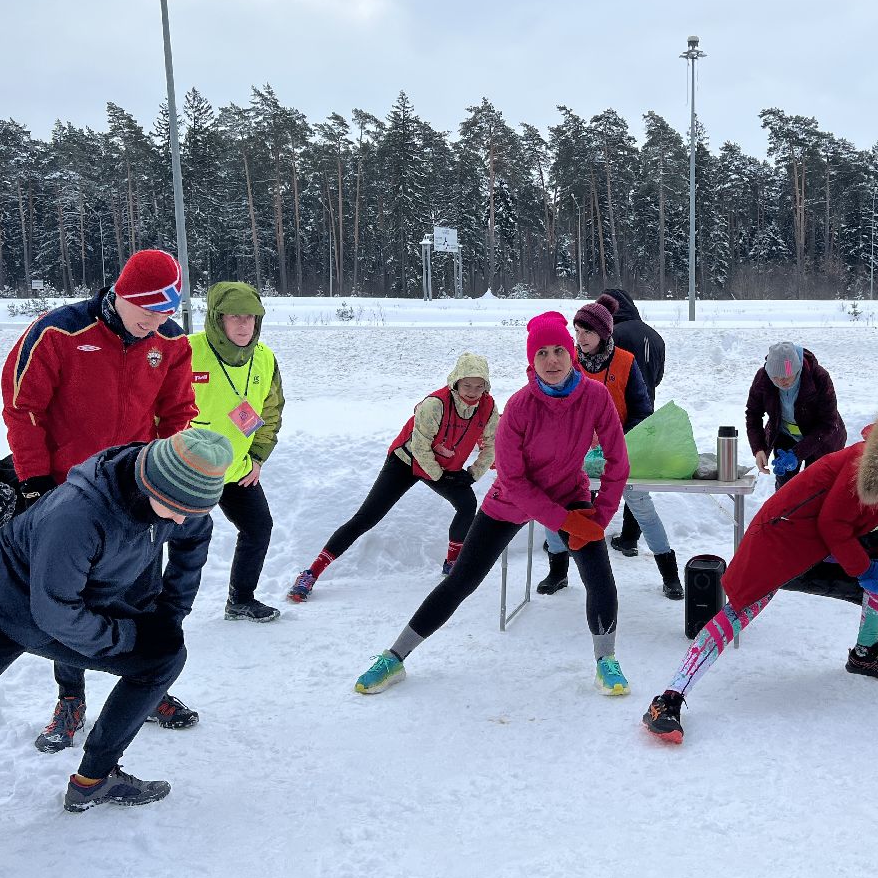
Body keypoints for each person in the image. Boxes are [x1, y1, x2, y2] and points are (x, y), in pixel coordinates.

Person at [0, 428, 231, 814]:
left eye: (194, 511)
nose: (184, 520)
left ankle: (92, 781)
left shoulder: (180, 496)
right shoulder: (78, 514)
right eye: (179, 510)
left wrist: (170, 616)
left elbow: (194, 539)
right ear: (153, 487)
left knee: (164, 657)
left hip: (62, 609)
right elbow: (55, 611)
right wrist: (128, 635)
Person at [641, 407, 878, 744]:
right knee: (740, 612)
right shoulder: (868, 463)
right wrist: (863, 568)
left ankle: (864, 654)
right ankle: (668, 698)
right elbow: (833, 523)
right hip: (785, 536)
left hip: (828, 545)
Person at [352, 312, 631, 696]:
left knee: (599, 575)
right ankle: (394, 657)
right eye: (543, 354)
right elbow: (514, 482)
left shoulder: (595, 398)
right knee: (461, 581)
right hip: (510, 503)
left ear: (572, 354)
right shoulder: (518, 407)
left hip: (571, 494)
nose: (552, 361)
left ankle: (607, 662)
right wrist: (566, 522)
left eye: (559, 351)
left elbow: (619, 460)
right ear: (531, 362)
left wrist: (599, 517)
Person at [0, 247, 201, 751]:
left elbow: (178, 412)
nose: (155, 323)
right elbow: (24, 409)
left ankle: (147, 684)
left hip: (137, 493)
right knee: (72, 599)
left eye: (165, 314)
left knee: (143, 590)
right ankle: (71, 698)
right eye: (147, 311)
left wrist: (168, 475)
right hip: (69, 495)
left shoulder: (170, 342)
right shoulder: (60, 332)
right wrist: (36, 484)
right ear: (122, 294)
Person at [290, 353, 497, 601]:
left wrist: (473, 475)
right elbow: (420, 447)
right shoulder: (435, 404)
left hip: (443, 466)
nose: (473, 391)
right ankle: (311, 573)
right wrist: (441, 477)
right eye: (467, 385)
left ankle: (452, 565)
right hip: (406, 461)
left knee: (467, 505)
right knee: (366, 518)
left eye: (479, 385)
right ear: (455, 382)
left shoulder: (488, 407)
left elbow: (492, 443)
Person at [536, 294, 682, 601]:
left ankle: (670, 575)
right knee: (556, 505)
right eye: (577, 331)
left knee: (642, 506)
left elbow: (643, 412)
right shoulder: (568, 363)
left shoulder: (626, 362)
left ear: (604, 333)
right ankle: (558, 572)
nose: (580, 338)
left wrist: (612, 437)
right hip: (574, 454)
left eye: (586, 331)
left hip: (620, 451)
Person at [187, 281, 285, 623]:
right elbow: (156, 411)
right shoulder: (187, 351)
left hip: (237, 467)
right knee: (178, 542)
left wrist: (257, 457)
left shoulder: (265, 359)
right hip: (188, 471)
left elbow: (270, 413)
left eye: (251, 317)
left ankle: (241, 599)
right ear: (217, 319)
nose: (244, 325)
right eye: (234, 317)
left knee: (259, 527)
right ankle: (159, 614)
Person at [601, 288, 665, 559]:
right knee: (636, 479)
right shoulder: (655, 335)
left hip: (615, 414)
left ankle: (581, 532)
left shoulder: (613, 336)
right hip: (646, 410)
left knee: (597, 471)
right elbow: (658, 376)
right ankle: (629, 539)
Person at [745, 341, 847, 489]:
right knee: (785, 486)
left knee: (815, 486)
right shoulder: (763, 378)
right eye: (776, 378)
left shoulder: (819, 377)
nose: (781, 382)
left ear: (797, 368)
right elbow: (753, 414)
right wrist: (758, 448)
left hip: (821, 438)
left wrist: (797, 453)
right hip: (786, 435)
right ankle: (785, 513)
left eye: (786, 376)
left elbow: (828, 423)